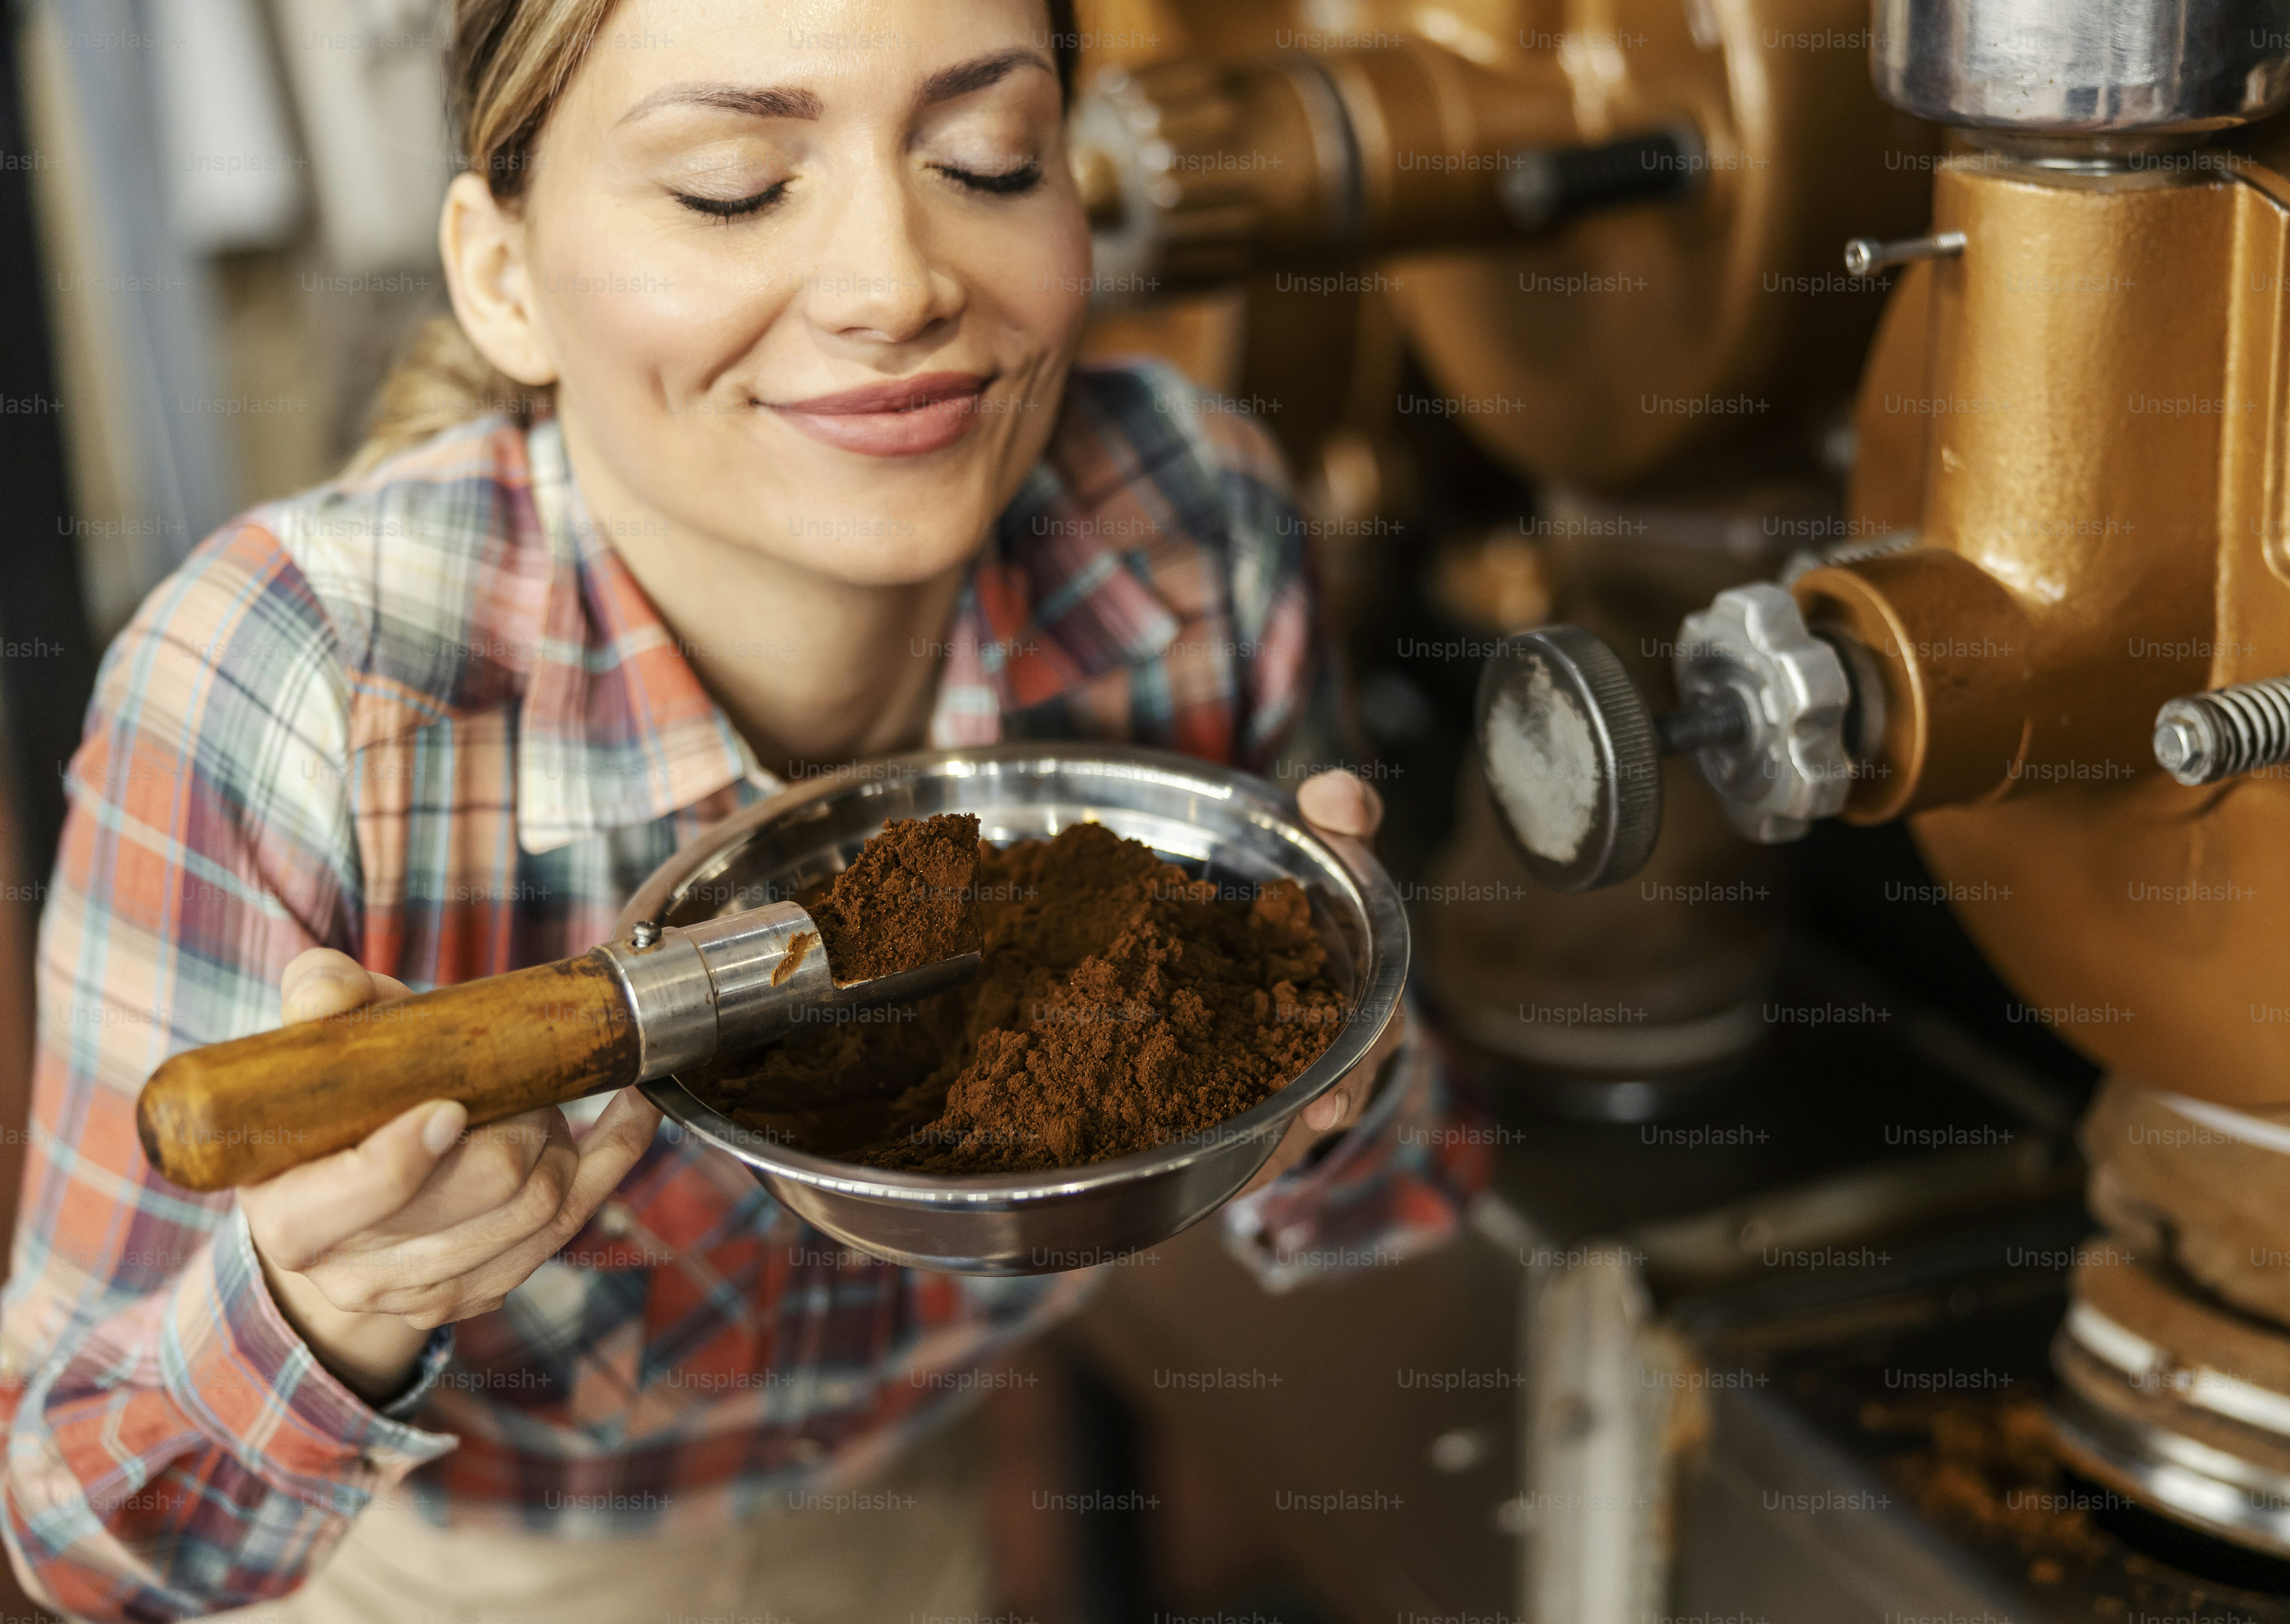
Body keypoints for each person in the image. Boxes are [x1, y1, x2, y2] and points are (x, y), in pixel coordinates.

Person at [0, 0, 1486, 1618]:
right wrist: (321, 1309)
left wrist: (1340, 1052)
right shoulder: (286, 686)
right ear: (504, 277)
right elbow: (81, 1530)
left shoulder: (1193, 531)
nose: (900, 283)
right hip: (432, 1569)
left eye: (990, 162)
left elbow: (1388, 1195)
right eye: (730, 185)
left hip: (896, 1509)